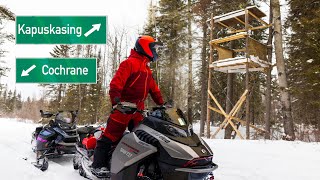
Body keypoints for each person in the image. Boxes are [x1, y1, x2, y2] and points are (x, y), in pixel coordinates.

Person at [92, 35, 164, 176]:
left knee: (142, 139)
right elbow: (115, 85)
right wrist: (117, 102)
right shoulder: (129, 63)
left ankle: (137, 168)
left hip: (138, 111)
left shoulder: (147, 70)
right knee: (110, 136)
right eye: (154, 48)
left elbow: (154, 90)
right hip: (123, 109)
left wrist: (163, 104)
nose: (156, 52)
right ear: (145, 47)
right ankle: (97, 164)